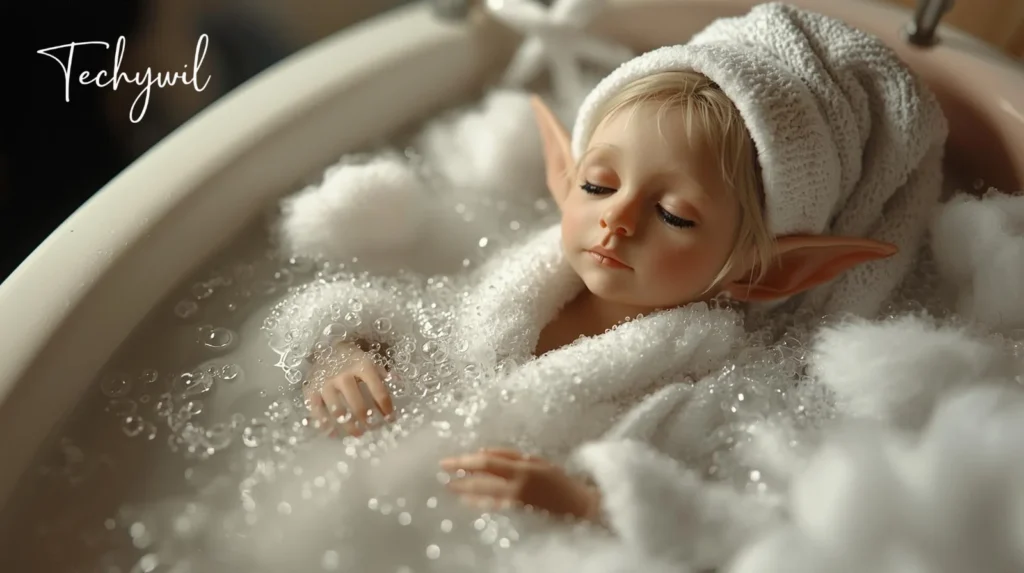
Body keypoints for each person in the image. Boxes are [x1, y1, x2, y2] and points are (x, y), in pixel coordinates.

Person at [265, 2, 947, 567]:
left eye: (673, 213)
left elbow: (745, 524)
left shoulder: (715, 387)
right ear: (564, 177)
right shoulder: (513, 284)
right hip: (316, 515)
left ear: (769, 269)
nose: (616, 218)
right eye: (598, 183)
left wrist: (592, 501)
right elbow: (393, 314)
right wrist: (340, 348)